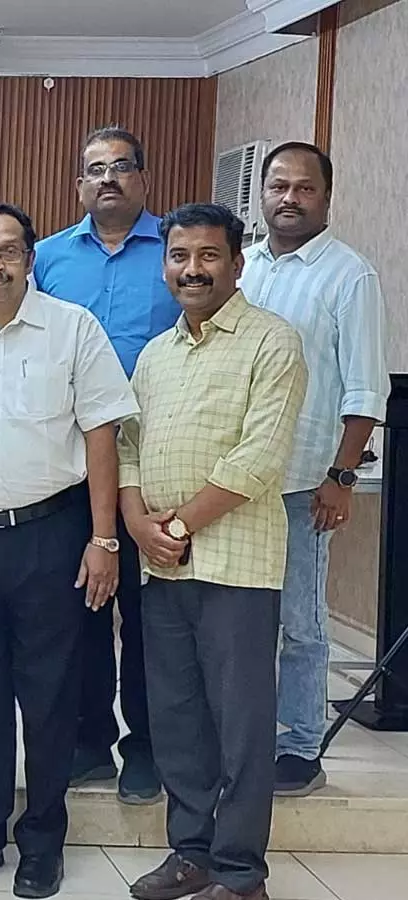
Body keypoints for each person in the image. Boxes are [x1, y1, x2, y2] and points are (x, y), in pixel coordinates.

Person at [0, 203, 137, 899]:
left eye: (8, 251)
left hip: (53, 535)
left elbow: (102, 434)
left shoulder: (72, 329)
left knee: (50, 696)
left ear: (29, 259)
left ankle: (43, 841)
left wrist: (104, 538)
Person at [122, 203, 306, 900]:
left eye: (207, 256)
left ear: (236, 262)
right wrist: (136, 520)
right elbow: (129, 444)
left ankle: (239, 872)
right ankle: (190, 854)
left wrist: (175, 527)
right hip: (162, 566)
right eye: (179, 256)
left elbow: (261, 455)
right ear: (165, 264)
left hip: (236, 566)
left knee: (241, 725)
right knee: (177, 720)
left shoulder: (272, 341)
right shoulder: (156, 355)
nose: (192, 270)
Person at [33, 125, 179, 804]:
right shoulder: (48, 258)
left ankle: (145, 746)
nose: (108, 179)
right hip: (74, 463)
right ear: (79, 185)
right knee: (81, 609)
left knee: (148, 617)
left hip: (155, 458)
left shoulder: (175, 249)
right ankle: (89, 740)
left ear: (142, 179)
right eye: (96, 169)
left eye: (121, 167)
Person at [239, 142, 389, 798]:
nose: (289, 198)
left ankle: (300, 744)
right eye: (278, 186)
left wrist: (342, 477)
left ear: (326, 197)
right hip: (238, 480)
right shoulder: (242, 267)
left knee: (300, 622)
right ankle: (246, 736)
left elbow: (366, 389)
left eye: (304, 188)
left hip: (305, 482)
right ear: (261, 194)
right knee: (241, 621)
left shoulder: (349, 276)